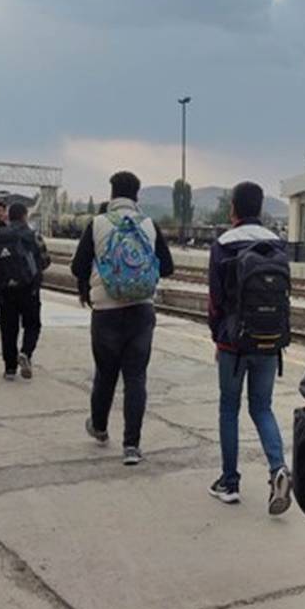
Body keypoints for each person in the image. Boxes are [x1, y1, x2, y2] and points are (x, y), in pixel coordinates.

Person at [71, 171, 175, 465]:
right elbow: (168, 267)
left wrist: (100, 274)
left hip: (105, 311)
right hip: (141, 310)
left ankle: (100, 427)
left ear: (112, 193)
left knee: (105, 374)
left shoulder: (97, 223)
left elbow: (78, 267)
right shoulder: (149, 225)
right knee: (136, 377)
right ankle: (132, 446)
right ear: (137, 195)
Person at [205, 181, 292, 515]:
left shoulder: (223, 244)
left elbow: (215, 300)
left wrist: (218, 336)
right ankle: (278, 469)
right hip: (269, 340)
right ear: (260, 208)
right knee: (262, 407)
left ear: (233, 209)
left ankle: (229, 482)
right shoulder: (276, 243)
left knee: (229, 408)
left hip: (233, 343)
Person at [0, 202, 51, 381]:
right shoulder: (34, 235)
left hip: (5, 289)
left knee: (8, 328)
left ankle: (9, 368)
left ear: (9, 216)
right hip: (29, 289)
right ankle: (25, 352)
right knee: (32, 325)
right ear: (25, 216)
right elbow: (45, 260)